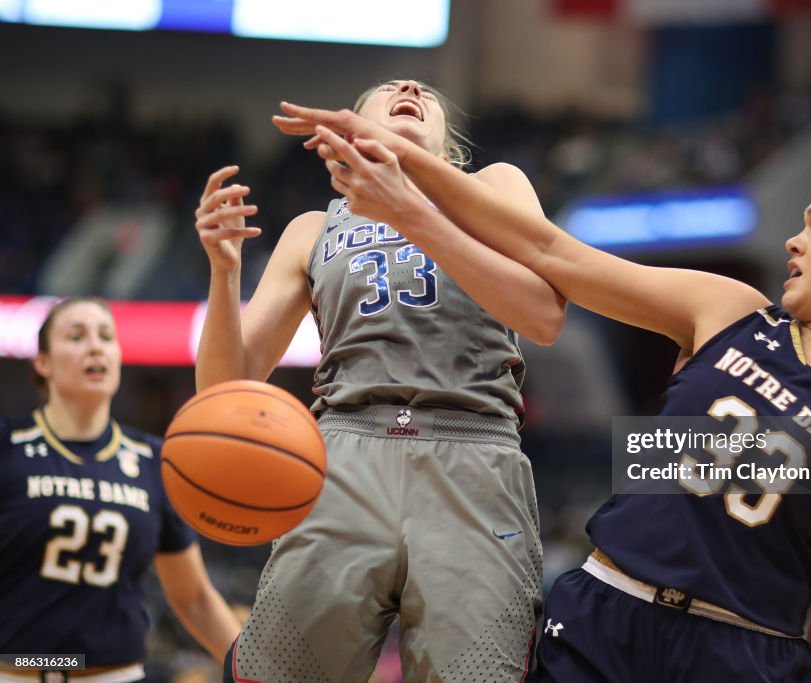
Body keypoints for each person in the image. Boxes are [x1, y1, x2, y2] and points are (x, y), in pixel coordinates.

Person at [274, 104, 811, 682]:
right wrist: (406, 177)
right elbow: (553, 253)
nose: (794, 242)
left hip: (741, 653)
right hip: (606, 614)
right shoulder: (728, 308)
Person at [194, 80, 566, 683]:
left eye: (426, 92)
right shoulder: (312, 227)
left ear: (449, 142)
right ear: (350, 130)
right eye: (387, 89)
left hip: (472, 451)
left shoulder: (494, 186)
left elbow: (544, 316)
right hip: (343, 451)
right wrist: (223, 271)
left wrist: (409, 208)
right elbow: (222, 393)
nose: (411, 87)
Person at [0, 297, 240, 682]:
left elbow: (194, 599)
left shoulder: (154, 459)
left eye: (106, 337)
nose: (95, 346)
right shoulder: (8, 445)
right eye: (76, 336)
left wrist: (255, 673)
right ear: (42, 363)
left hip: (117, 674)